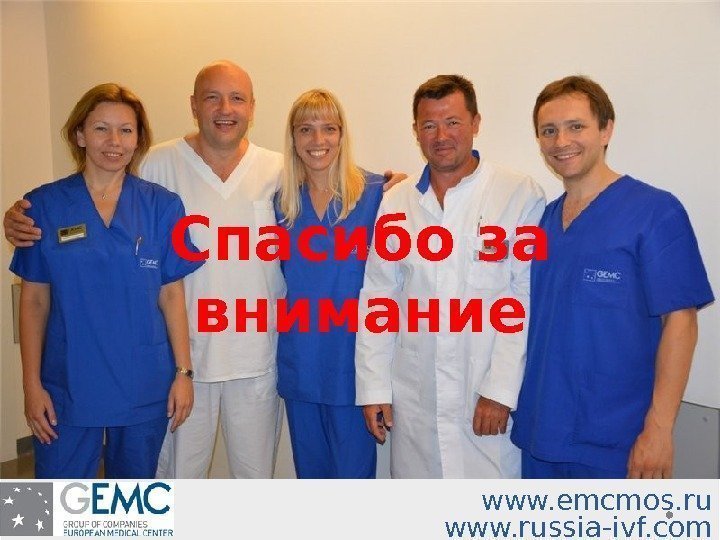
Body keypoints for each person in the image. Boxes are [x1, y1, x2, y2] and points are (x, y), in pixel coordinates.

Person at [510, 75, 714, 479]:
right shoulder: (543, 222)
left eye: (576, 126)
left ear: (606, 130)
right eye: (548, 131)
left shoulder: (655, 213)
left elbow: (682, 322)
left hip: (617, 443)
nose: (561, 141)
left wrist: (660, 430)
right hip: (540, 436)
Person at [354, 75, 546, 478]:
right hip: (415, 401)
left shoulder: (517, 194)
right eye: (429, 125)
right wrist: (374, 388)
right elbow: (379, 298)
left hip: (483, 400)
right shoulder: (397, 203)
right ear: (416, 131)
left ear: (476, 122)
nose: (441, 136)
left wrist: (499, 390)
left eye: (453, 122)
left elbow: (525, 298)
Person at [9, 83, 202, 479]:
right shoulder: (43, 205)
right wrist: (31, 385)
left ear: (138, 140)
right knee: (51, 503)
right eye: (101, 129)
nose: (114, 141)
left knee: (132, 502)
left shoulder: (162, 206)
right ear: (80, 135)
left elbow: (171, 295)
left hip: (143, 383)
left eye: (126, 130)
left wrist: (184, 373)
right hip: (66, 385)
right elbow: (34, 302)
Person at [275, 89, 383, 478]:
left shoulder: (377, 195)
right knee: (312, 481)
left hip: (353, 366)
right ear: (293, 138)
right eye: (306, 129)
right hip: (301, 365)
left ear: (342, 135)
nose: (318, 140)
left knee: (353, 482)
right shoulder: (281, 204)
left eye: (329, 128)